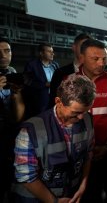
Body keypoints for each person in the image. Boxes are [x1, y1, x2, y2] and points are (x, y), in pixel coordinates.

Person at [13, 74, 95, 203]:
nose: (81, 117)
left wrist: (83, 185)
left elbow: (88, 156)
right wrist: (54, 201)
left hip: (69, 195)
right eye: (75, 112)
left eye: (85, 111)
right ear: (58, 102)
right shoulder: (30, 131)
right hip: (32, 199)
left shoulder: (87, 120)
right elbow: (26, 177)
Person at [75, 39, 107, 203]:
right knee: (89, 195)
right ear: (82, 58)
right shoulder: (70, 81)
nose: (101, 63)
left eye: (104, 59)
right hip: (82, 154)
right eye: (95, 58)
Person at [0, 37, 25, 202]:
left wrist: (16, 94)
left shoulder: (12, 73)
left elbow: (19, 116)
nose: (3, 55)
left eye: (7, 50)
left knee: (10, 181)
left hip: (10, 137)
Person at [49, 33, 92, 108]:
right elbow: (53, 101)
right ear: (74, 47)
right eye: (82, 46)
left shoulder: (97, 72)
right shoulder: (60, 73)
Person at [23, 43, 59, 118]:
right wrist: (45, 84)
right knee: (40, 120)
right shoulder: (32, 65)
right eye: (49, 51)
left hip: (54, 98)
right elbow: (27, 82)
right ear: (41, 53)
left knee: (53, 118)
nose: (52, 53)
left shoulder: (55, 65)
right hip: (39, 100)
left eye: (52, 51)